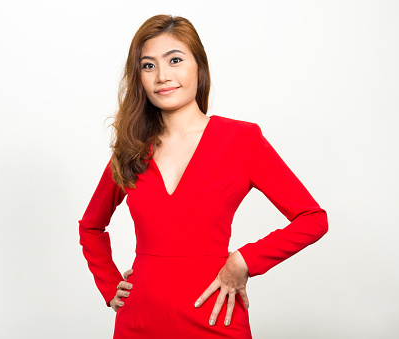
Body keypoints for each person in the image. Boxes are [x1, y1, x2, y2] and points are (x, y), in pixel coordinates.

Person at [78, 14, 328, 339]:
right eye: (148, 66)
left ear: (199, 66)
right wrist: (110, 285)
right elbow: (91, 226)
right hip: (139, 322)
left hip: (214, 317)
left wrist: (245, 260)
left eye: (175, 60)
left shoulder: (242, 141)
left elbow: (313, 219)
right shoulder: (132, 149)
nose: (162, 76)